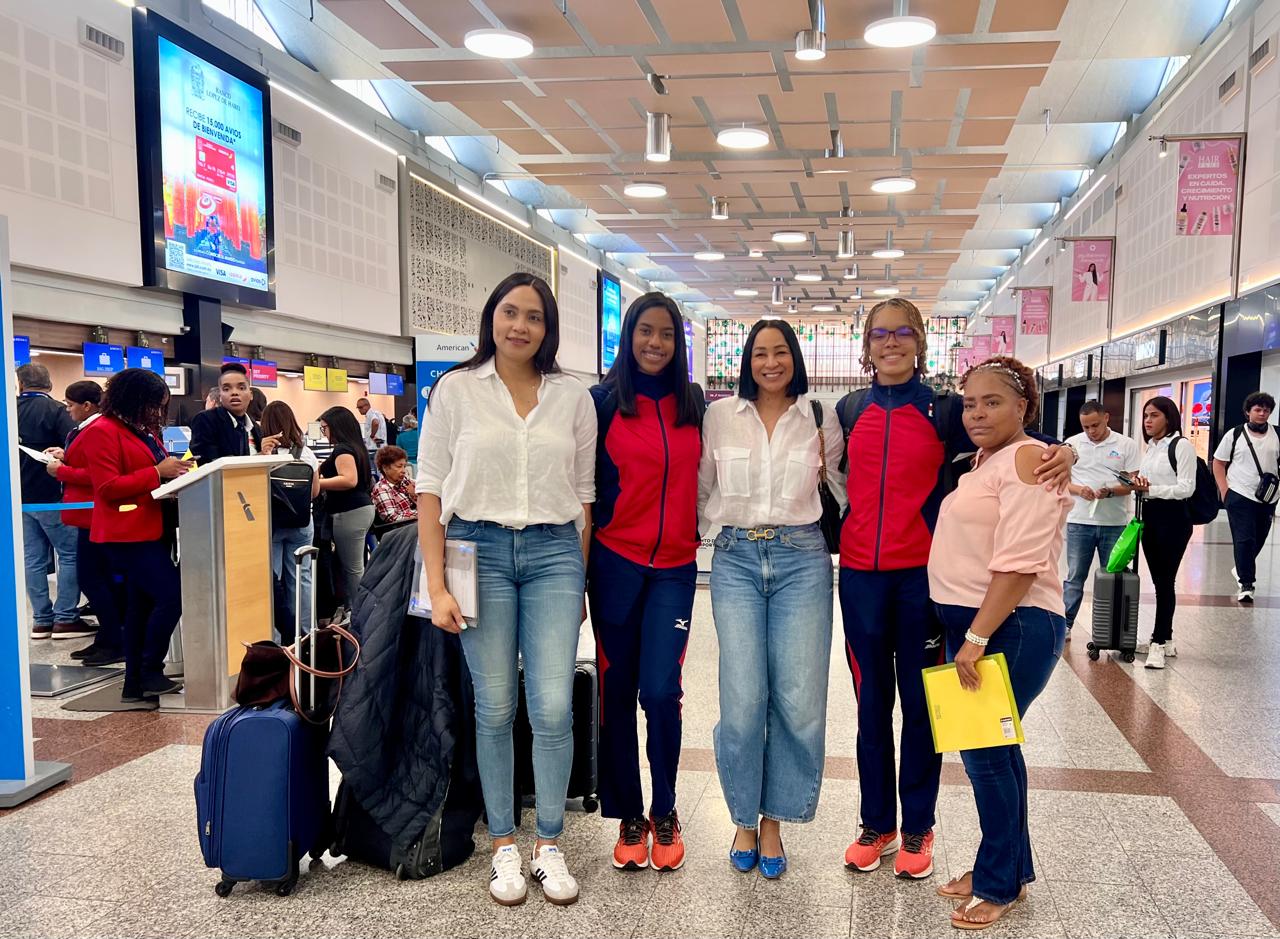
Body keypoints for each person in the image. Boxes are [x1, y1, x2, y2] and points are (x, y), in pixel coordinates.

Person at [837, 299, 1074, 880]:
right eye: (879, 334)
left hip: (922, 582)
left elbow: (1012, 436)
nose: (890, 343)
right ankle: (877, 824)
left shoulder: (943, 409)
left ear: (919, 342)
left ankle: (918, 826)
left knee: (924, 709)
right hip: (861, 580)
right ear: (866, 345)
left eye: (902, 333)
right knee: (871, 707)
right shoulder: (848, 409)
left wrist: (1063, 449)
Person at [417, 272, 594, 907]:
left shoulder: (572, 397)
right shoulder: (456, 390)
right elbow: (430, 491)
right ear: (492, 317)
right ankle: (502, 843)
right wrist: (436, 586)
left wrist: (578, 581)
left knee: (550, 706)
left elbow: (584, 497)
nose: (520, 326)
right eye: (510, 312)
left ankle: (549, 839)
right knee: (493, 706)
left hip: (552, 553)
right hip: (476, 549)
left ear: (548, 329)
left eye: (535, 317)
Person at [698, 318, 846, 881]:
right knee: (742, 700)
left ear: (795, 358)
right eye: (759, 353)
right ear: (746, 361)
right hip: (734, 558)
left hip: (802, 561)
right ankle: (741, 817)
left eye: (780, 351)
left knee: (799, 700)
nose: (770, 362)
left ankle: (774, 822)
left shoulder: (817, 415)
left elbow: (844, 488)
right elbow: (701, 487)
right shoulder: (719, 415)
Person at [929, 357, 1071, 930]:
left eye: (993, 402)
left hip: (1009, 624)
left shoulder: (1026, 458)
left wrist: (975, 638)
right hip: (986, 623)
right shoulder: (997, 460)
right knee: (998, 754)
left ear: (1024, 408)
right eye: (970, 403)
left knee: (986, 757)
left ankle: (997, 884)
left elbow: (1018, 565)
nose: (978, 413)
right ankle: (1006, 866)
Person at [589, 292, 703, 873]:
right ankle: (629, 813)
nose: (655, 343)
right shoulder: (604, 403)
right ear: (628, 336)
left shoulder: (694, 405)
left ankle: (665, 809)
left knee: (660, 692)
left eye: (665, 334)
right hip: (615, 564)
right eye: (645, 332)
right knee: (617, 691)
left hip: (676, 570)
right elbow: (583, 492)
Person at [80, 368, 189, 704]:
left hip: (151, 528)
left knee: (141, 605)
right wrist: (157, 473)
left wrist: (171, 480)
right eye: (153, 405)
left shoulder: (140, 430)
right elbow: (108, 488)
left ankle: (136, 682)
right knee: (172, 596)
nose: (157, 413)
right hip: (125, 534)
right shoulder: (102, 431)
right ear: (133, 399)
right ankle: (149, 670)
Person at [45, 381, 124, 664]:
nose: (67, 410)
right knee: (95, 580)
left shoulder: (97, 429)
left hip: (95, 515)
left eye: (70, 404)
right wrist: (65, 456)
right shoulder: (85, 430)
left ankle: (115, 640)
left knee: (95, 580)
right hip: (85, 517)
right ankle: (107, 637)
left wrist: (62, 471)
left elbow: (97, 474)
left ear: (87, 405)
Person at [16, 363, 87, 640]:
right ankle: (66, 618)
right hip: (54, 496)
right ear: (48, 385)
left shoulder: (9, 410)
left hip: (20, 498)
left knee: (32, 558)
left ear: (21, 385)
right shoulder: (57, 410)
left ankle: (41, 620)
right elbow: (75, 447)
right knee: (68, 555)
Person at [1062, 400, 1141, 634]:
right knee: (1075, 576)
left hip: (1114, 523)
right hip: (1079, 521)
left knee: (1114, 577)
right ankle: (1066, 624)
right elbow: (1062, 480)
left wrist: (1109, 491)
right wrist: (1079, 490)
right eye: (1086, 427)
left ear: (1107, 417)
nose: (1091, 431)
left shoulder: (1126, 445)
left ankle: (1112, 627)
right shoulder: (1072, 445)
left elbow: (1131, 484)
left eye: (1095, 425)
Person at [1129, 396, 1197, 669]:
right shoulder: (1152, 447)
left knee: (1165, 581)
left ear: (1168, 418)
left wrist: (1151, 490)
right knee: (1158, 580)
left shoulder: (1182, 446)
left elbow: (1186, 488)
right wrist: (1138, 483)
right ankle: (1165, 640)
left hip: (1174, 518)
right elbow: (1151, 481)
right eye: (1145, 415)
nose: (1147, 420)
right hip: (1151, 515)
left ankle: (1158, 642)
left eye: (1154, 415)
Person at [259, 401, 321, 640]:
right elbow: (314, 491)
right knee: (302, 578)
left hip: (271, 524)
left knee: (270, 581)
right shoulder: (305, 453)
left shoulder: (261, 455)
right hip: (302, 523)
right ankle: (306, 636)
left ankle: (272, 637)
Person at [1213, 391, 1279, 602]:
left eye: (1266, 410)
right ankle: (1247, 584)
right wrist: (1225, 491)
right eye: (1258, 410)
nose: (1262, 414)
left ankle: (1241, 568)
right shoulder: (1234, 434)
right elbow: (1218, 462)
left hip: (1268, 497)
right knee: (1244, 539)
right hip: (1239, 494)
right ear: (1247, 412)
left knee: (1259, 538)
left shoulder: (1277, 434)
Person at [316, 406, 375, 610]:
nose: (324, 433)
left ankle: (361, 613)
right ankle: (355, 610)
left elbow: (349, 480)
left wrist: (317, 484)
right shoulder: (357, 447)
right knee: (353, 566)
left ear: (335, 427)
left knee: (352, 569)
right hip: (361, 509)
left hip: (349, 512)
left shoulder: (342, 449)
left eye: (325, 428)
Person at [188, 362, 267, 465]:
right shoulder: (205, 420)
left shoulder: (255, 427)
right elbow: (206, 462)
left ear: (251, 395)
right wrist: (257, 458)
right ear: (220, 396)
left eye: (241, 388)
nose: (234, 392)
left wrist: (266, 454)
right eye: (226, 389)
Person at [371, 446, 417, 525]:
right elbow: (393, 518)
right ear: (385, 468)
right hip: (401, 530)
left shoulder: (406, 481)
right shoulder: (381, 489)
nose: (403, 471)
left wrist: (415, 496)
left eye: (404, 466)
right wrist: (422, 513)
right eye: (399, 466)